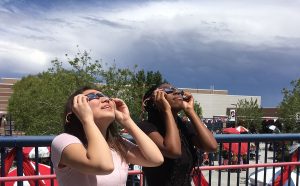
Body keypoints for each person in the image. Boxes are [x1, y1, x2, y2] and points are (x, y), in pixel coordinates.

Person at [51, 86, 164, 186]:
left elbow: (156, 159)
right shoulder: (64, 141)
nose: (105, 99)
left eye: (104, 96)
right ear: (75, 110)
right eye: (91, 97)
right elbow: (103, 165)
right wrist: (87, 120)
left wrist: (127, 121)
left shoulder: (117, 144)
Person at [138, 83, 218, 186]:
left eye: (178, 91)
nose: (177, 92)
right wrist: (166, 110)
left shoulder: (184, 126)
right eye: (168, 90)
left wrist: (190, 111)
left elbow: (212, 146)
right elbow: (173, 151)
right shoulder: (146, 127)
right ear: (154, 99)